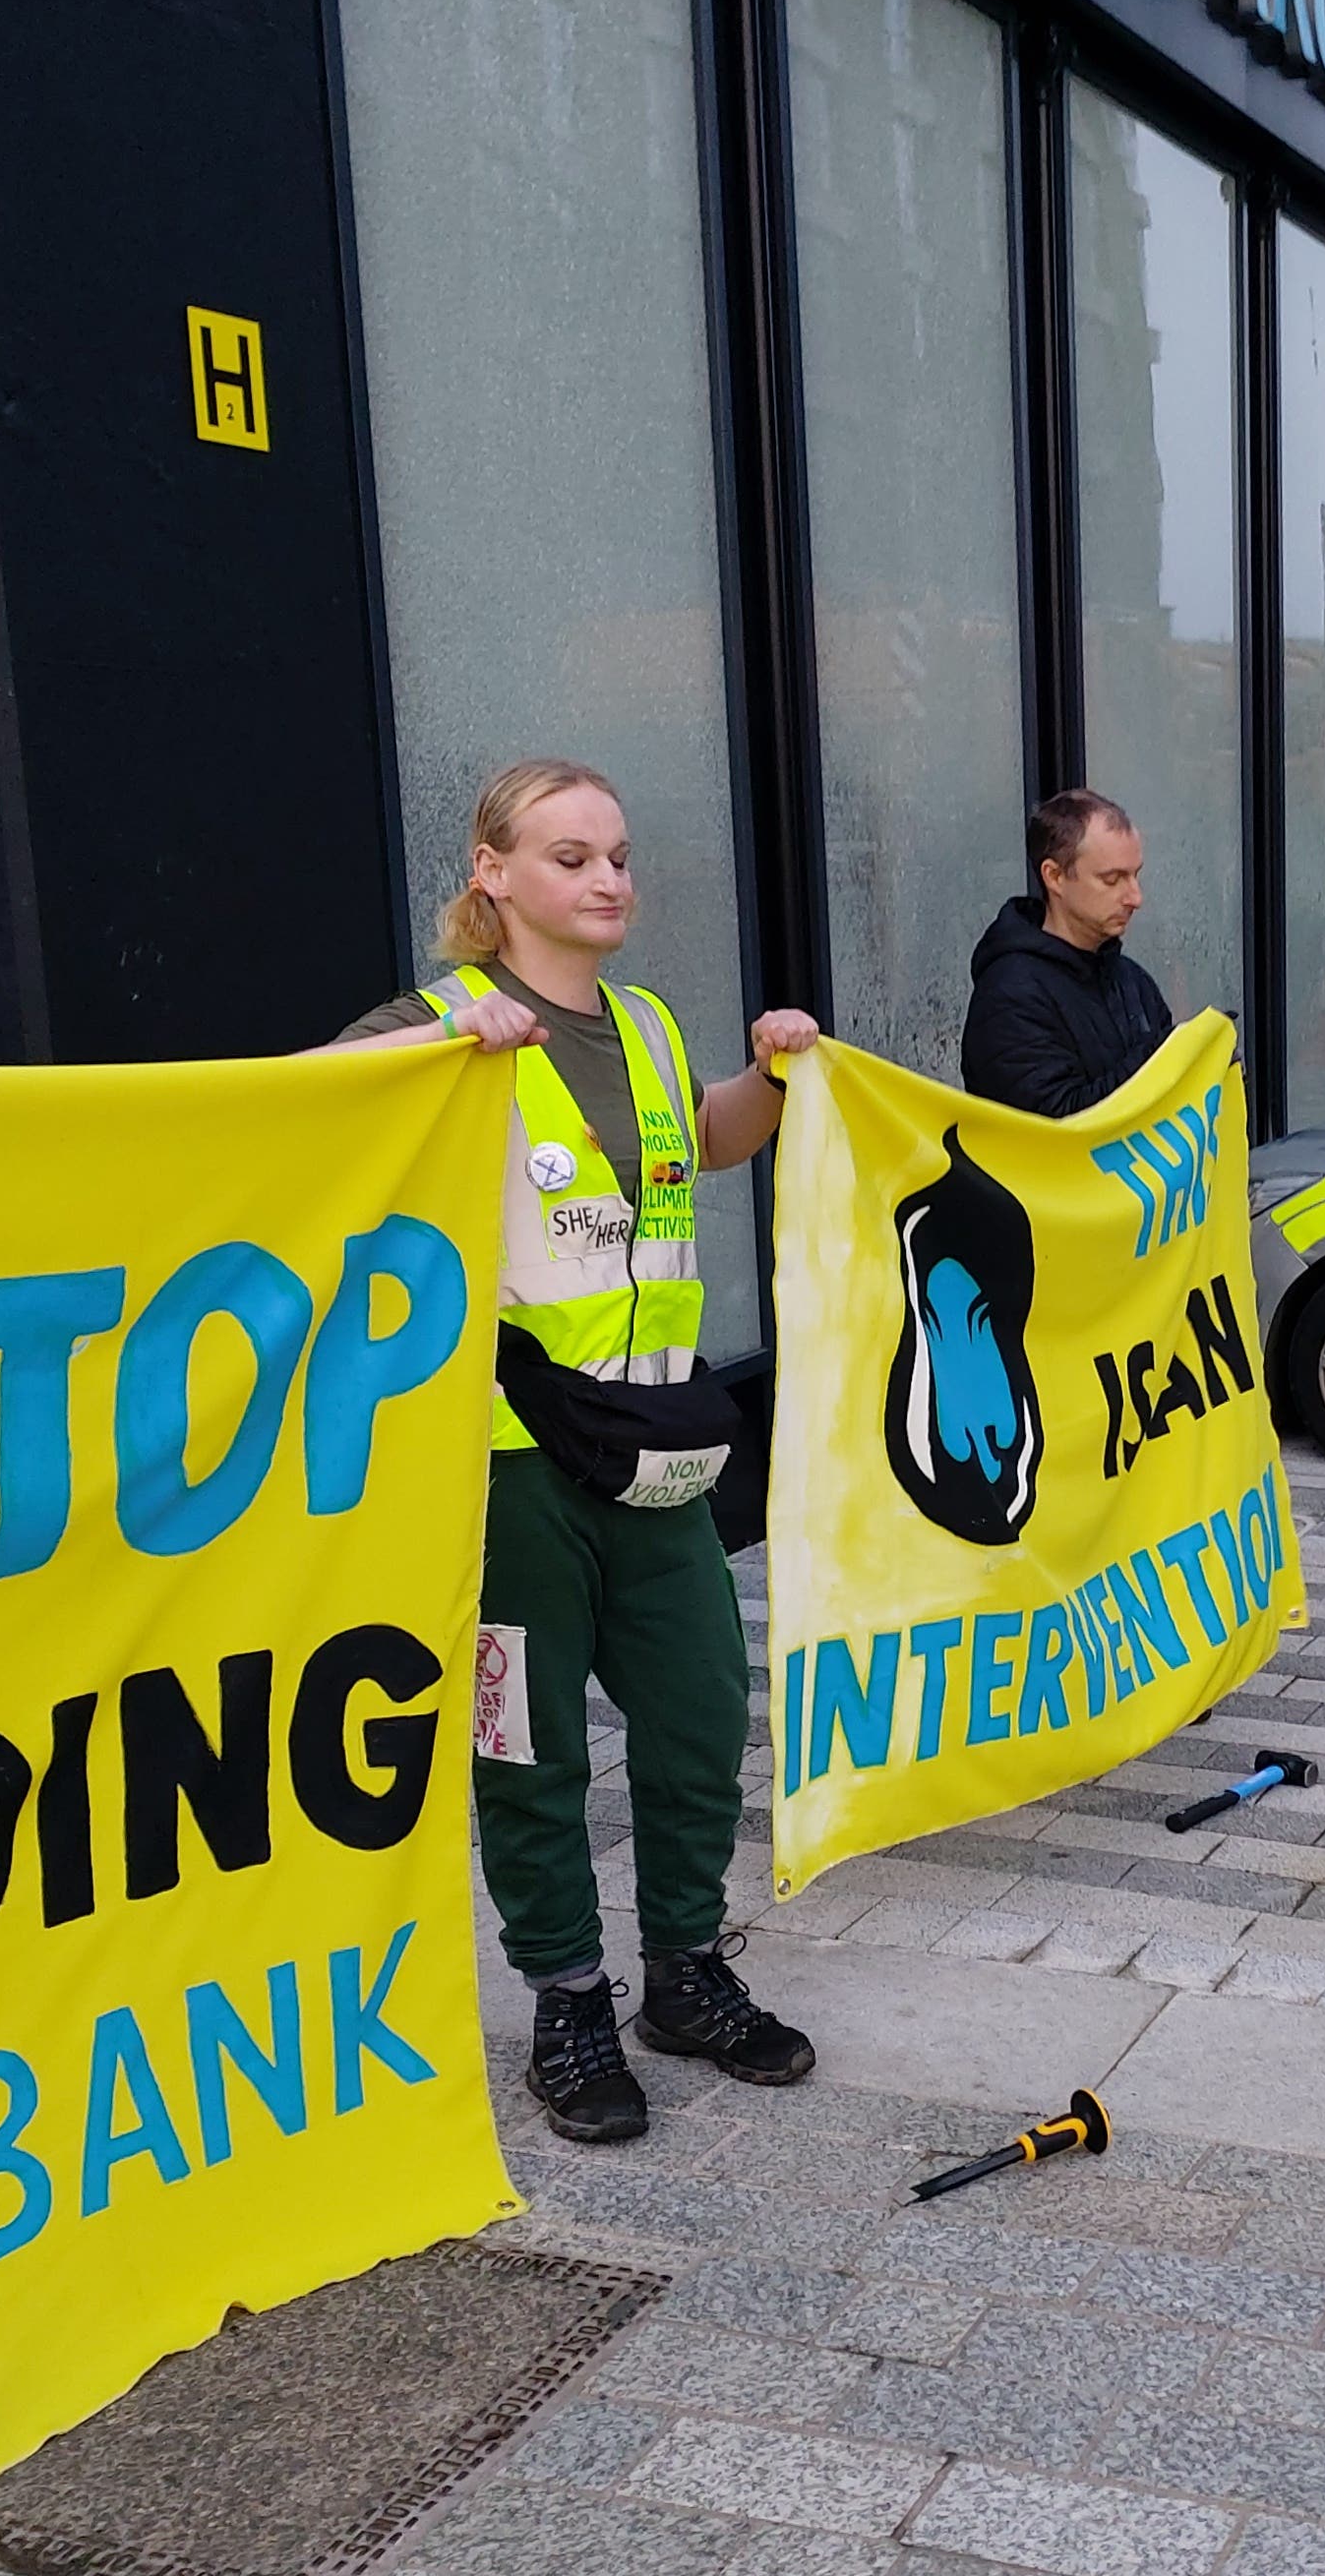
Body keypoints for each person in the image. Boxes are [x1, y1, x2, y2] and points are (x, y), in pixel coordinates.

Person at [334, 758, 818, 2144]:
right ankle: (566, 1998)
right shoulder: (437, 1022)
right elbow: (294, 1106)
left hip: (657, 1450)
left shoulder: (650, 1029)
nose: (607, 878)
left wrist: (769, 1076)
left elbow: (708, 1145)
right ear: (493, 874)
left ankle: (685, 1975)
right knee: (527, 1743)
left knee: (700, 1711)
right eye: (568, 856)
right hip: (507, 1466)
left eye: (616, 854)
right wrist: (422, 1056)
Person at [962, 786, 1174, 1115]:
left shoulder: (1134, 982)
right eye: (1112, 879)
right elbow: (1056, 1129)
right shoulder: (1009, 996)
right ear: (1055, 876)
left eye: (1135, 876)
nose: (1135, 897)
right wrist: (1164, 1058)